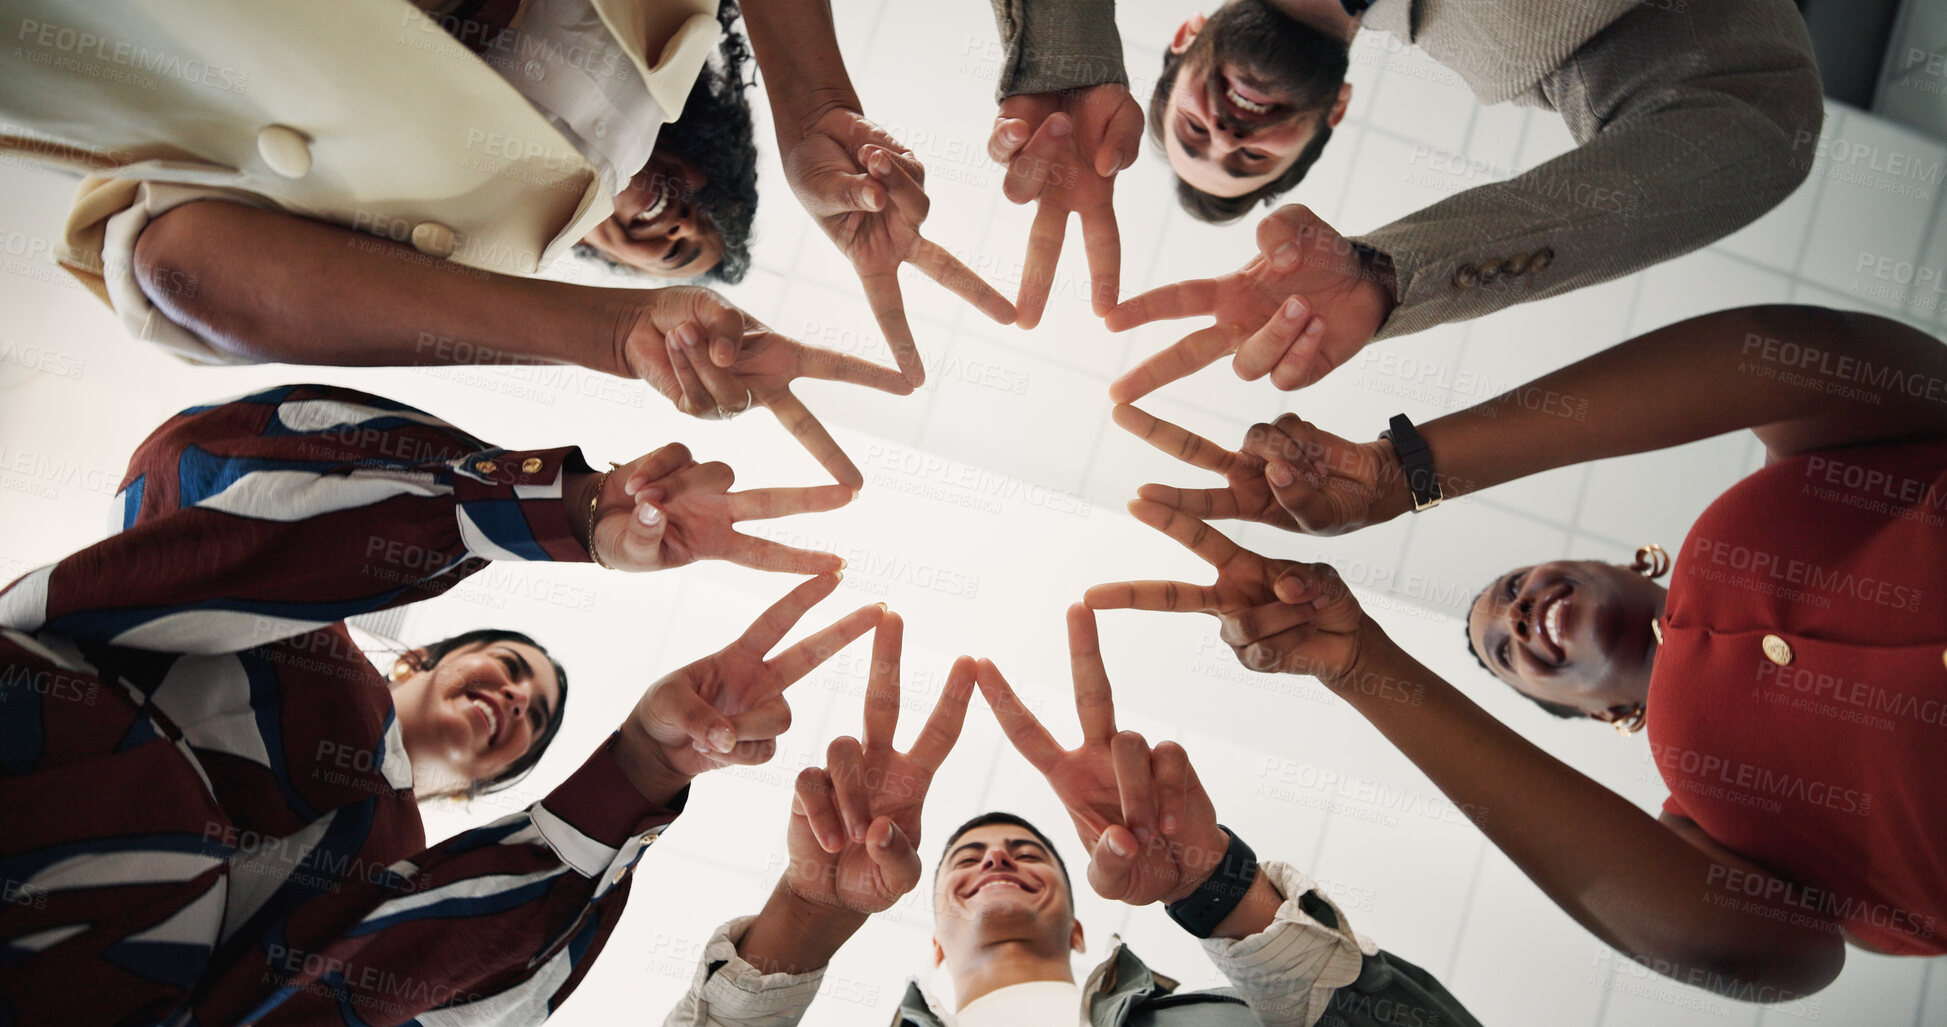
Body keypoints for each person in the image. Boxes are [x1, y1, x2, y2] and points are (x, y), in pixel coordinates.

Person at [1091, 304, 1947, 996]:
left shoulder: (1795, 475)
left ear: (1618, 563)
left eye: (1514, 588)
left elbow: (1791, 352)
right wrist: (1365, 669)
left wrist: (1402, 472)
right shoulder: (1705, 824)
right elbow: (1742, 952)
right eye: (1505, 649)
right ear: (1607, 714)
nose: (1519, 614)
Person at [0, 382, 886, 1024]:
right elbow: (182, 472)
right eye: (506, 667)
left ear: (493, 776)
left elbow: (422, 992)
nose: (511, 698)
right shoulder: (287, 634)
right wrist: (557, 509)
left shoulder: (400, 873)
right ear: (418, 656)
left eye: (530, 721)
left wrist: (643, 766)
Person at [1, 0, 1012, 485]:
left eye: (664, 256)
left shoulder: (473, 266)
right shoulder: (671, 40)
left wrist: (617, 337)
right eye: (681, 203)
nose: (661, 227)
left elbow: (182, 269)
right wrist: (815, 105)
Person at [665, 605, 1481, 1025]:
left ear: (1084, 931)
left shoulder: (1238, 1022)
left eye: (1027, 852)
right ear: (936, 942)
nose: (995, 858)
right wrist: (808, 910)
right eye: (968, 858)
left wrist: (1217, 887)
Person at [1101, 0, 1823, 398]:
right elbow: (1760, 121)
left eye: (1193, 128)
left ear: (1187, 34)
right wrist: (1390, 274)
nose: (1226, 132)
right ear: (1335, 112)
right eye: (1250, 158)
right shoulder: (1535, 52)